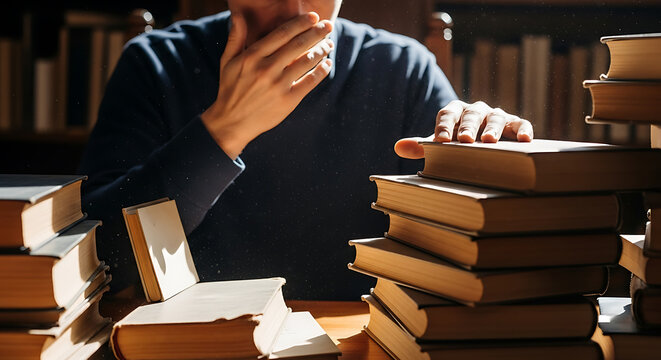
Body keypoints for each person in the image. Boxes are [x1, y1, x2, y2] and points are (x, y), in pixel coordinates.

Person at [79, 0, 533, 300]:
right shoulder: (155, 64)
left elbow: (468, 245)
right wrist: (224, 129)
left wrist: (494, 157)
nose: (296, 10)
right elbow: (98, 265)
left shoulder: (401, 68)